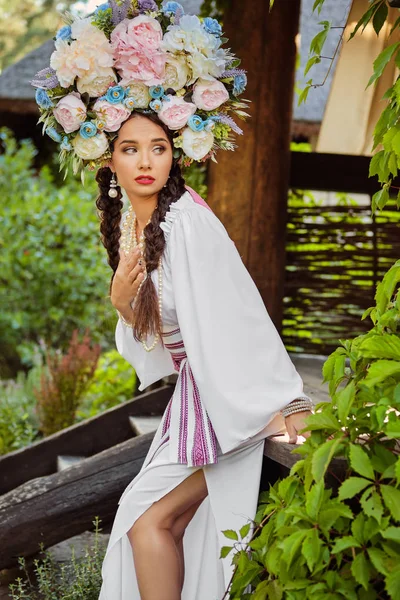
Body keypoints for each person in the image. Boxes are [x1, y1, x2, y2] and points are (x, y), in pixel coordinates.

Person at [30, 3, 314, 598]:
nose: (144, 161)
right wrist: (121, 302)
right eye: (130, 148)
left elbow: (235, 312)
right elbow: (156, 340)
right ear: (106, 156)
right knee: (158, 521)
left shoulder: (186, 221)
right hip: (197, 398)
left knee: (147, 521)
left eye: (158, 147)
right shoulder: (136, 228)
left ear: (175, 154)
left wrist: (283, 401)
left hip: (223, 398)